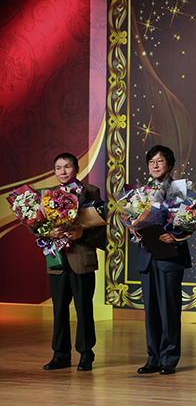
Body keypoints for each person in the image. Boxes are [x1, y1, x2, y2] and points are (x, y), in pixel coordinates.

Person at [42, 153, 105, 372]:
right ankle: (60, 355)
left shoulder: (90, 191)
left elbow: (99, 225)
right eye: (58, 168)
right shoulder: (46, 196)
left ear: (76, 169)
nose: (62, 171)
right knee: (59, 309)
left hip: (81, 258)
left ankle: (86, 354)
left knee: (83, 308)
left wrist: (81, 233)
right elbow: (35, 224)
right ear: (54, 171)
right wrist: (48, 230)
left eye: (67, 167)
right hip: (57, 260)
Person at [135, 145, 192, 375]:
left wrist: (176, 235)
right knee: (151, 311)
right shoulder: (142, 192)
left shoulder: (179, 190)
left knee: (169, 309)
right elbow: (135, 219)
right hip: (147, 256)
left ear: (169, 164)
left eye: (159, 161)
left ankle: (169, 358)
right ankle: (153, 358)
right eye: (151, 162)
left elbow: (191, 219)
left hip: (169, 256)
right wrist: (135, 230)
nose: (155, 165)